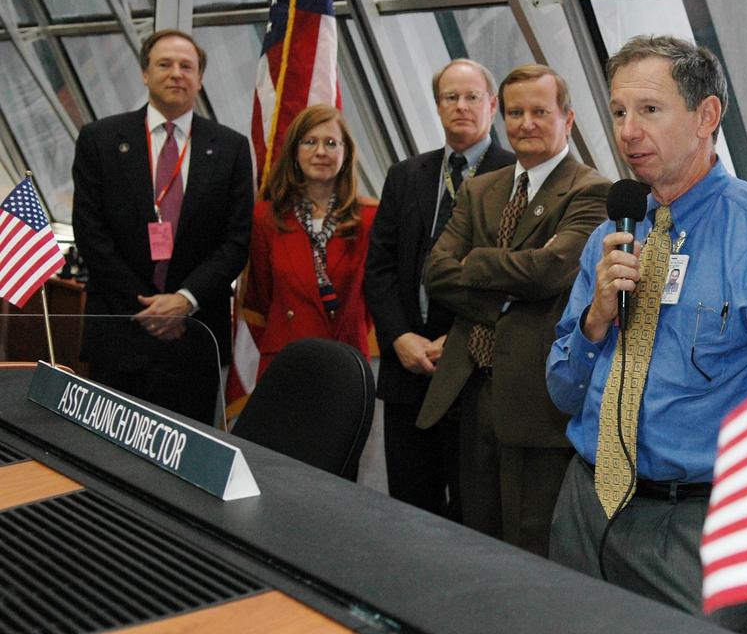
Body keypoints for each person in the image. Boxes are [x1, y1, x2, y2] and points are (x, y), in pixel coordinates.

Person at [545, 35, 747, 634]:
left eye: (649, 110)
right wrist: (595, 320)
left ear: (706, 116)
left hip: (697, 528)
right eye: (619, 111)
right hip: (585, 503)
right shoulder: (613, 233)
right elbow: (561, 390)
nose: (628, 131)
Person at [420, 64, 609, 555]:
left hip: (536, 400)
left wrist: (477, 262)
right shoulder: (481, 188)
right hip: (472, 389)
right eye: (515, 112)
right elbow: (436, 272)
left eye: (539, 112)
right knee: (476, 541)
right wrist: (510, 290)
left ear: (568, 119)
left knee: (533, 545)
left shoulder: (590, 191)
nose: (526, 123)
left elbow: (550, 272)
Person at [72, 29, 253, 423]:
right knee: (106, 448)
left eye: (187, 66)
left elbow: (237, 241)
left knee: (185, 452)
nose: (176, 74)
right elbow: (90, 233)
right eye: (164, 64)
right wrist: (150, 309)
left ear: (200, 79)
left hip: (194, 336)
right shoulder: (100, 139)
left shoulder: (232, 148)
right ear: (145, 73)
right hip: (120, 331)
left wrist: (184, 301)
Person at [364, 59, 514, 516]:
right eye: (451, 97)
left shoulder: (517, 175)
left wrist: (462, 340)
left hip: (475, 372)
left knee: (474, 512)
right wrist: (398, 337)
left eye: (472, 97)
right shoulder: (406, 174)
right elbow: (380, 269)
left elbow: (514, 279)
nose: (461, 106)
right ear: (437, 105)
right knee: (408, 511)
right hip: (407, 369)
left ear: (492, 105)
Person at [243, 105, 376, 381]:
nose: (321, 152)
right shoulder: (266, 217)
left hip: (346, 360)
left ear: (346, 152)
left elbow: (375, 301)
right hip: (286, 360)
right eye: (310, 142)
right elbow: (260, 295)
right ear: (294, 152)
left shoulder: (370, 218)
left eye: (331, 143)